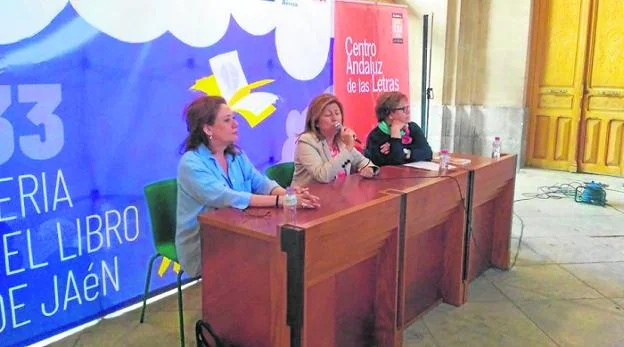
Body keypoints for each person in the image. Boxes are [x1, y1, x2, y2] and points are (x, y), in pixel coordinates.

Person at [176, 95, 320, 276]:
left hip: (241, 230)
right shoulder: (191, 163)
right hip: (206, 241)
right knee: (265, 260)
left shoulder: (235, 155)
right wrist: (281, 200)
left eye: (234, 118)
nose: (235, 124)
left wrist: (289, 195)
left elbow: (260, 182)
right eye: (227, 120)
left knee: (278, 256)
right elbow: (227, 197)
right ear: (207, 128)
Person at [292, 93, 378, 187]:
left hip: (338, 195)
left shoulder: (341, 140)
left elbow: (365, 163)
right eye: (328, 115)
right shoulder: (307, 141)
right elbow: (323, 176)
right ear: (316, 122)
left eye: (337, 113)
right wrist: (348, 147)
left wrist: (369, 169)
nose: (334, 119)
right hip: (309, 197)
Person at [365, 91, 432, 166]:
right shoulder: (375, 137)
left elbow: (428, 153)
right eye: (403, 109)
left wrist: (405, 152)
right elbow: (396, 163)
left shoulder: (412, 128)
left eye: (408, 107)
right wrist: (395, 132)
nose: (408, 111)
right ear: (390, 114)